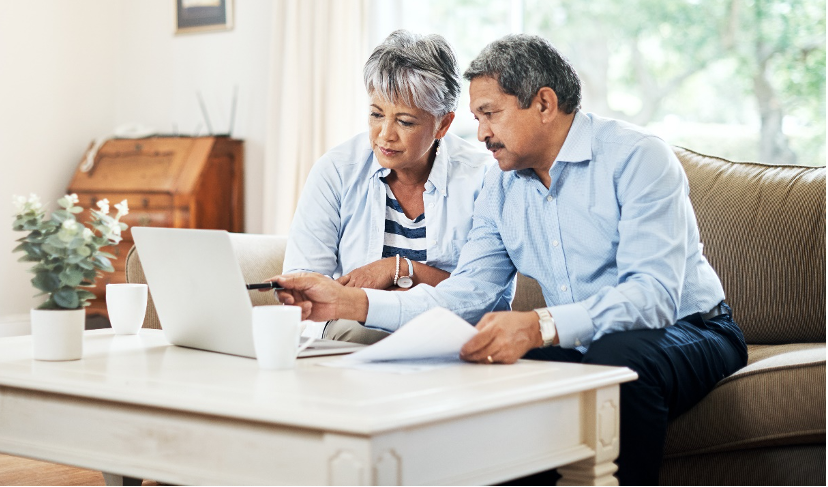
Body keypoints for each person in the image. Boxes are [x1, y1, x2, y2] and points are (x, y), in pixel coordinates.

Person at [272, 34, 748, 486]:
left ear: (543, 104)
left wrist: (538, 326)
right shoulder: (498, 185)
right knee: (498, 379)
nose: (479, 133)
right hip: (587, 341)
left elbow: (653, 298)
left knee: (614, 360)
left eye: (489, 114)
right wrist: (350, 304)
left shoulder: (638, 158)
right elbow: (466, 295)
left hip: (693, 327)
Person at [284, 29, 493, 344]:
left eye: (405, 121)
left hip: (445, 337)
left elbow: (485, 297)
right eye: (376, 114)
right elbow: (303, 288)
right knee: (357, 332)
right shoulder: (336, 171)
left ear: (443, 124)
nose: (384, 135)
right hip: (354, 336)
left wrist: (399, 269)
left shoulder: (482, 179)